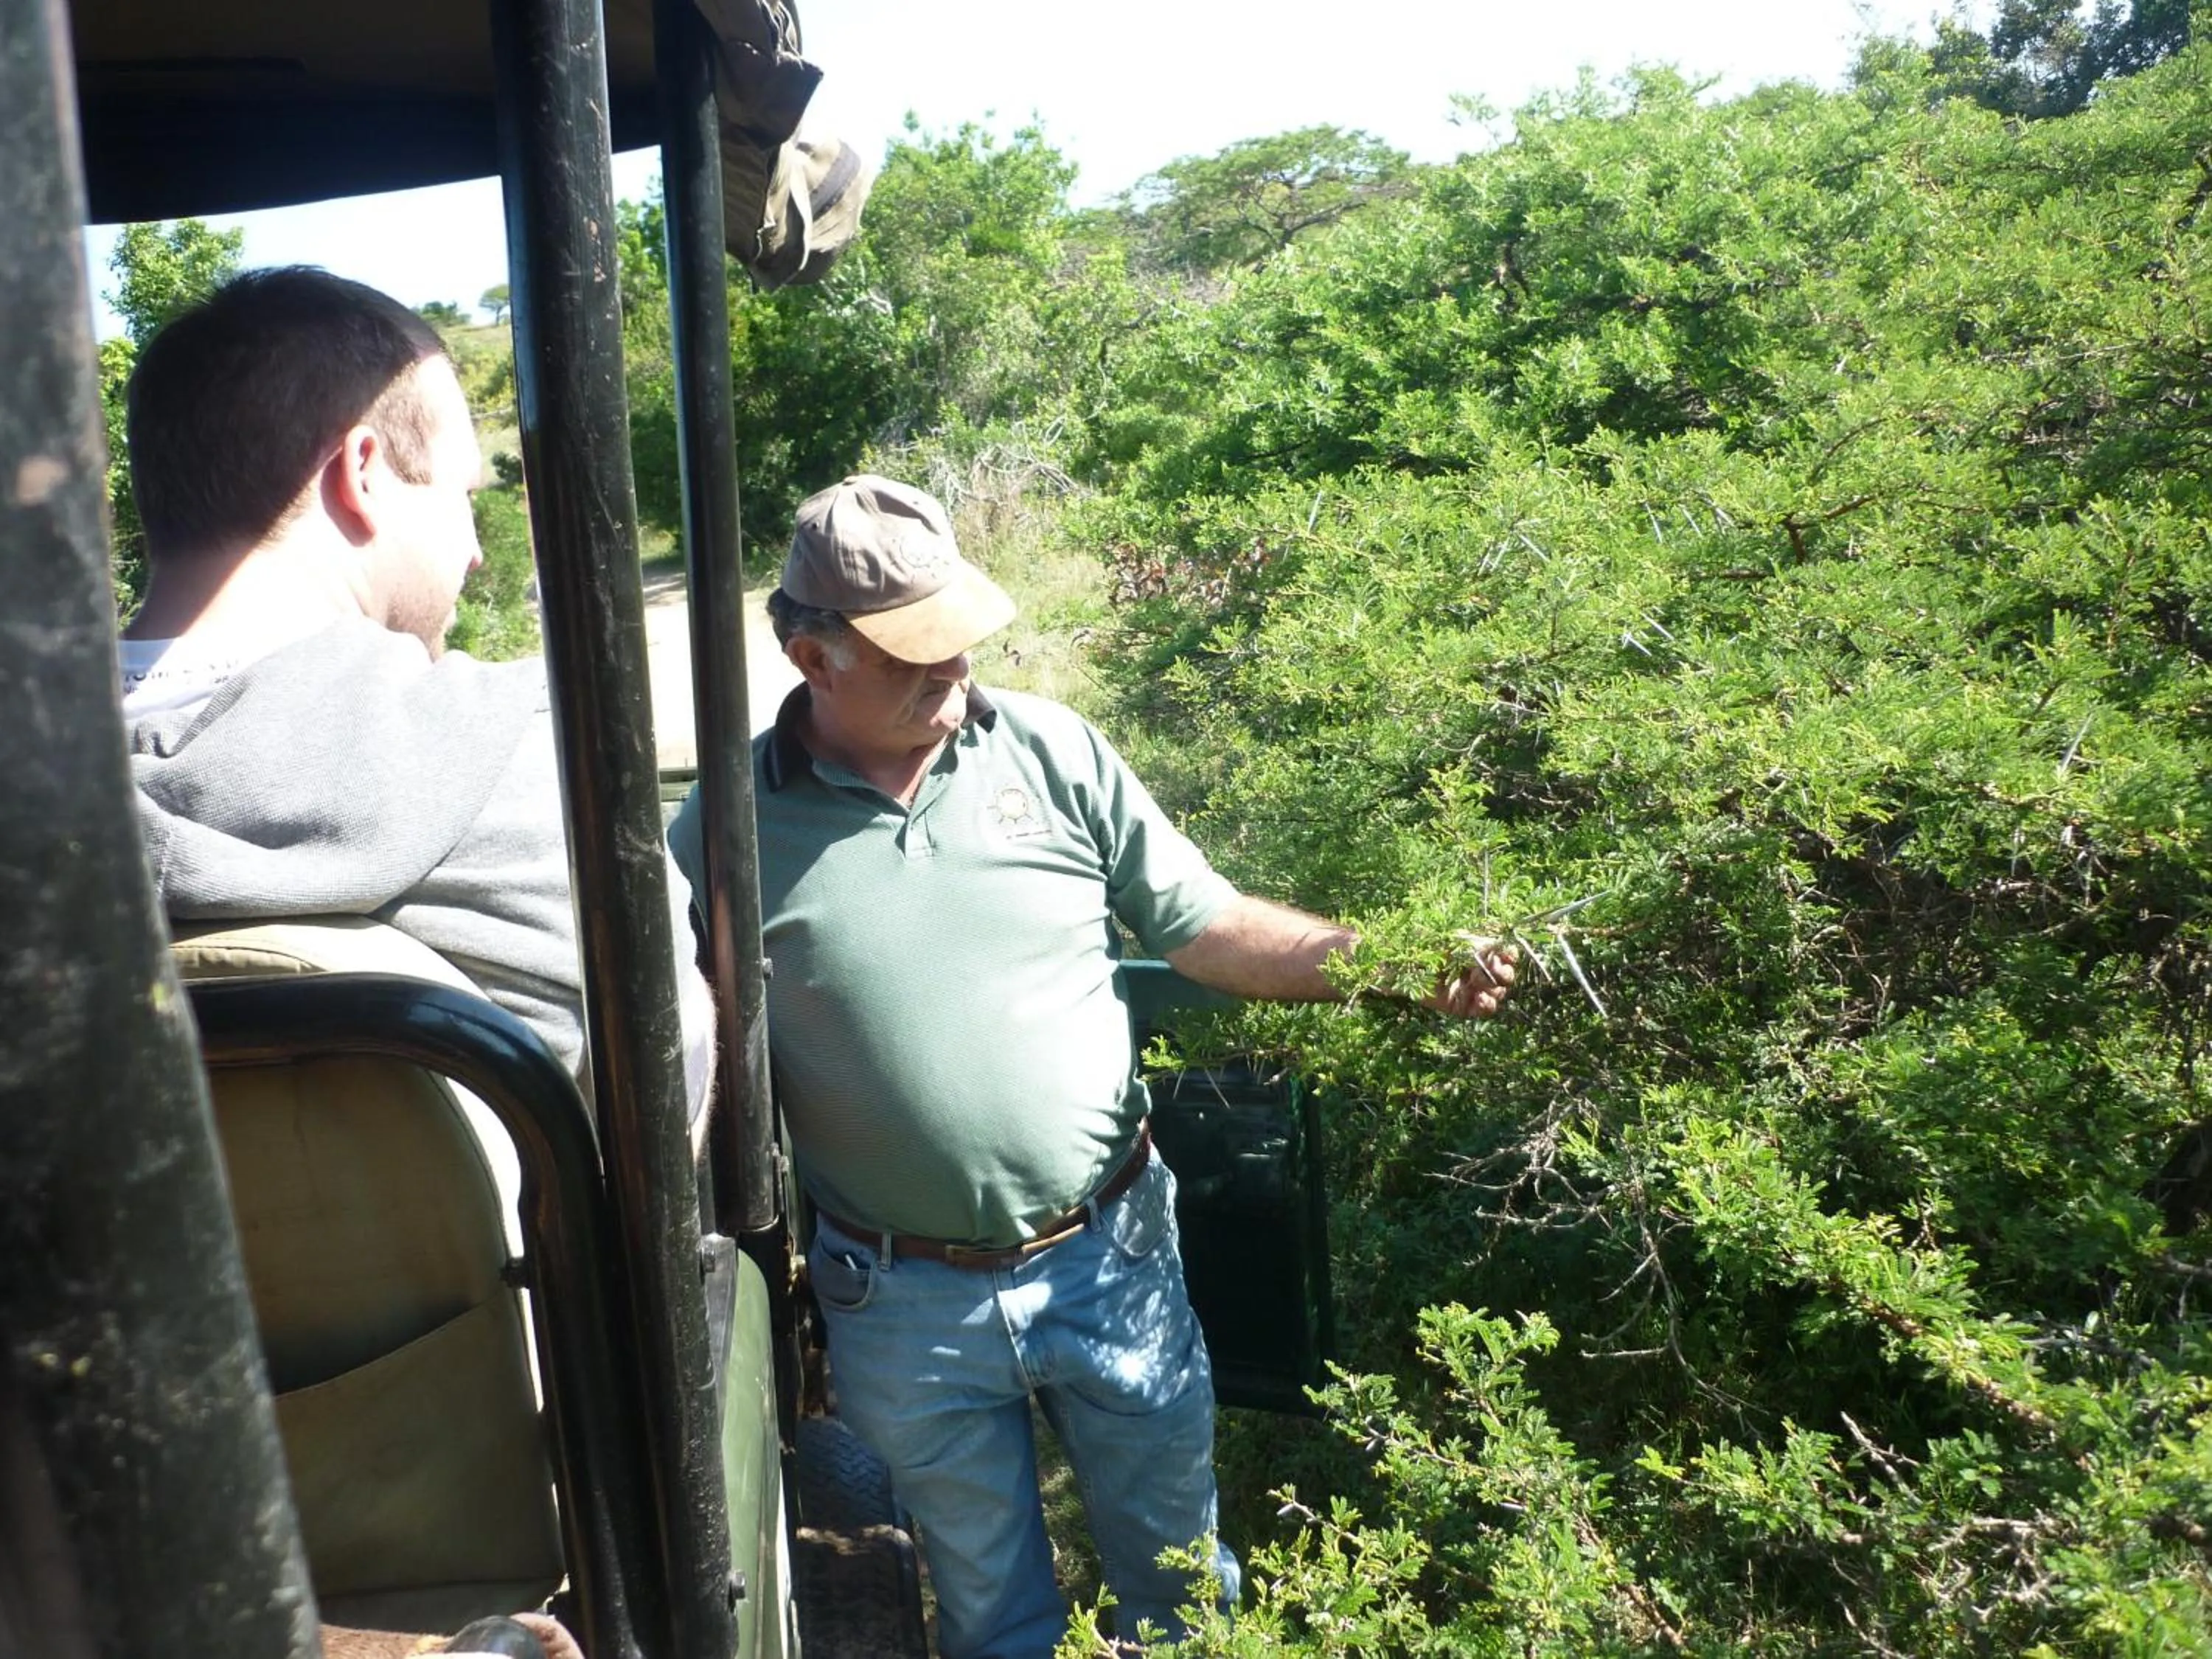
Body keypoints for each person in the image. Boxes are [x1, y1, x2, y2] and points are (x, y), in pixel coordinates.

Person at [668, 474, 1516, 1658]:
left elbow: (1204, 923)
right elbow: (686, 1049)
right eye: (916, 652)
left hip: (1110, 1252)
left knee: (1182, 1587)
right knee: (991, 1613)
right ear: (816, 659)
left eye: (963, 638)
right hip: (901, 1297)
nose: (954, 672)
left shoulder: (1051, 750)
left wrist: (1390, 961)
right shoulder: (723, 830)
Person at [121, 266, 712, 1118]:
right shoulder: (527, 763)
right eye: (462, 494)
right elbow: (671, 1107)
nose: (474, 549)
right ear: (361, 473)